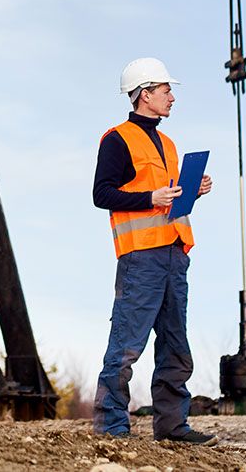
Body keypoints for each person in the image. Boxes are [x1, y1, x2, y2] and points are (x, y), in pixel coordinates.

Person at [92, 57, 214, 444]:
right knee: (127, 344)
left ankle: (173, 426)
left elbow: (167, 198)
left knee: (176, 344)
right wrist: (150, 197)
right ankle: (112, 427)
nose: (172, 97)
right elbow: (102, 193)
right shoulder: (116, 139)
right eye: (165, 91)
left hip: (175, 254)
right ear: (145, 94)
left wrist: (190, 190)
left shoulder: (168, 143)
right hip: (141, 256)